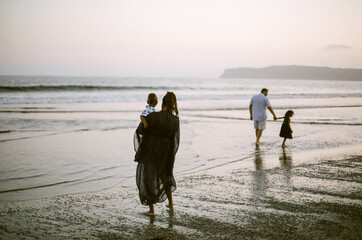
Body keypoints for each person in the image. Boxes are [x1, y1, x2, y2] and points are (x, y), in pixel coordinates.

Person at [134, 92, 180, 216]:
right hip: (166, 152)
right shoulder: (175, 120)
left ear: (163, 103)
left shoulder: (153, 116)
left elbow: (140, 130)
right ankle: (171, 205)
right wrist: (170, 155)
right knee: (166, 175)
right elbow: (175, 140)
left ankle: (152, 210)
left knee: (149, 176)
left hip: (151, 150)